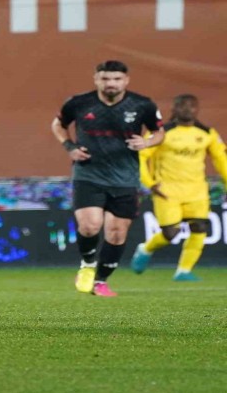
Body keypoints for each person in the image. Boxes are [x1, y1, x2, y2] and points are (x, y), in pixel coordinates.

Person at [51, 60, 164, 297]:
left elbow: (159, 132)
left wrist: (147, 142)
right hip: (88, 173)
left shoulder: (142, 104)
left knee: (117, 233)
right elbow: (58, 125)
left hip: (125, 178)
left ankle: (101, 281)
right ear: (96, 79)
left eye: (116, 79)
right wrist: (69, 146)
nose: (111, 83)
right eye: (105, 78)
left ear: (126, 80)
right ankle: (87, 263)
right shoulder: (79, 103)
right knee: (89, 226)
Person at [131, 94, 227, 280]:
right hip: (167, 190)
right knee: (170, 233)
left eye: (192, 105)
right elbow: (141, 156)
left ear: (197, 109)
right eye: (183, 105)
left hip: (197, 191)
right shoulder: (161, 133)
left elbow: (221, 159)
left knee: (199, 227)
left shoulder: (207, 133)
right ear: (174, 109)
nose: (188, 109)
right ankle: (145, 248)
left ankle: (184, 270)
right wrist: (150, 183)